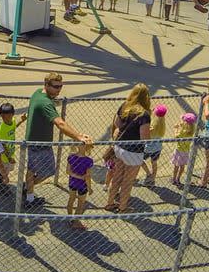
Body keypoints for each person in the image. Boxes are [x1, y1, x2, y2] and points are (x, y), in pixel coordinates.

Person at [23, 73, 93, 207]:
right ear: (46, 85)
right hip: (40, 144)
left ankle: (29, 195)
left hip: (34, 140)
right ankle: (27, 189)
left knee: (32, 170)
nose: (59, 90)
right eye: (55, 87)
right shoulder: (45, 103)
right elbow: (60, 123)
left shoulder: (38, 93)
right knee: (49, 171)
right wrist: (78, 136)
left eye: (60, 86)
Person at [103, 83, 152, 212]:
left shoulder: (125, 106)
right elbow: (144, 137)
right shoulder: (144, 114)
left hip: (120, 147)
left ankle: (109, 203)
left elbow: (117, 124)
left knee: (117, 177)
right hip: (133, 152)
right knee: (127, 181)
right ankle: (123, 207)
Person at [66, 142, 95, 230]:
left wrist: (77, 176)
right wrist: (89, 188)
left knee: (71, 200)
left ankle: (70, 218)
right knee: (80, 204)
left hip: (73, 182)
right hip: (82, 185)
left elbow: (68, 172)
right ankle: (76, 221)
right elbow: (88, 177)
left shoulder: (71, 157)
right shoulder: (88, 160)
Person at [141, 103, 166, 185]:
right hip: (158, 148)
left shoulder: (152, 127)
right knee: (154, 162)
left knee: (140, 160)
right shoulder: (162, 125)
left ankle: (148, 174)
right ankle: (153, 177)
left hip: (148, 148)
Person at [170, 112, 196, 186]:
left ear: (185, 123)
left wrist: (176, 128)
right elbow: (186, 125)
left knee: (176, 166)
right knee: (182, 166)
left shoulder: (182, 132)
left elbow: (176, 136)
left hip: (179, 151)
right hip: (186, 151)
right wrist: (182, 124)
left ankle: (174, 179)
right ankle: (178, 178)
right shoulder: (191, 131)